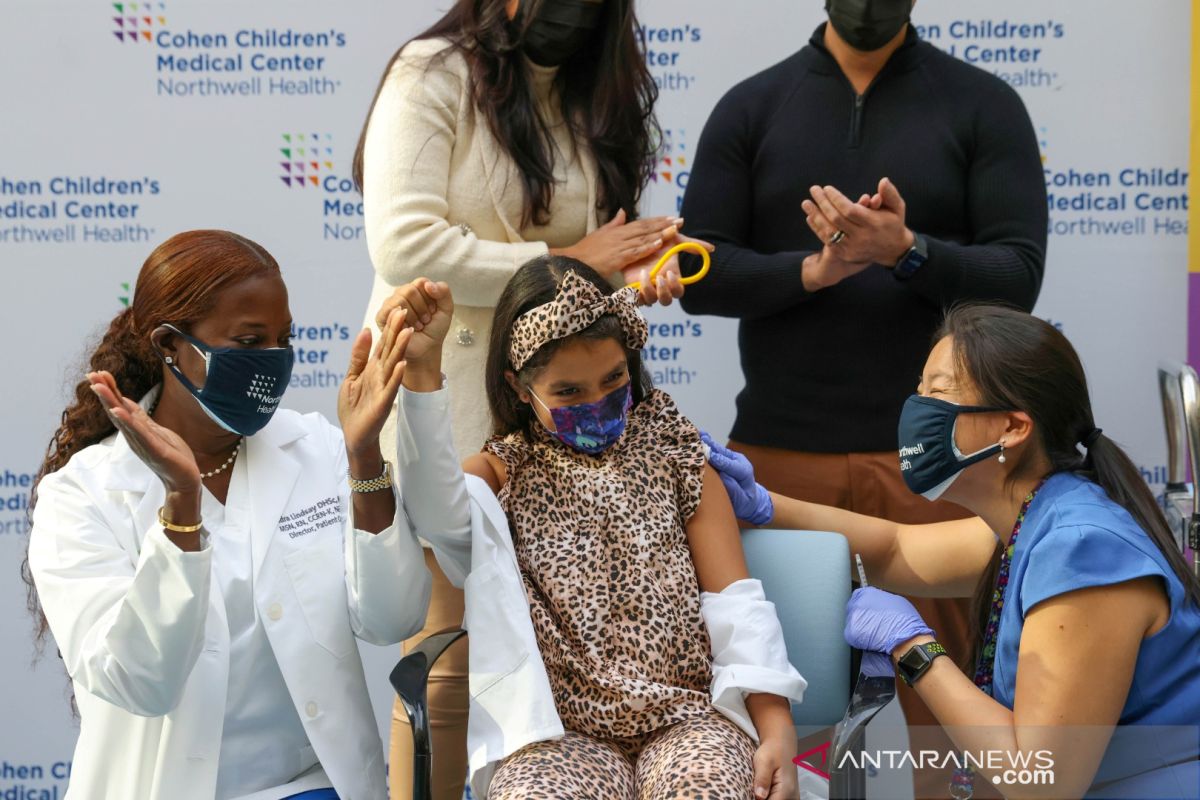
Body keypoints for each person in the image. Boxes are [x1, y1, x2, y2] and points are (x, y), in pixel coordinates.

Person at [677, 1, 1047, 788]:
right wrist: (810, 272)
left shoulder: (982, 103)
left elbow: (1018, 276)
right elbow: (697, 276)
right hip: (778, 459)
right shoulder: (753, 105)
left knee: (948, 710)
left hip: (938, 460)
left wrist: (907, 253)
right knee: (774, 709)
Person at [352, 2, 707, 791]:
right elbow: (404, 243)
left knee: (546, 664)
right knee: (445, 653)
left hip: (552, 425)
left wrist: (628, 274)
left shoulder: (590, 91)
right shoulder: (430, 75)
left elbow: (574, 277)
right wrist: (574, 254)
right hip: (440, 399)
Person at [712, 304, 1200, 799]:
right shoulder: (1039, 516)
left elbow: (1041, 784)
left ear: (1011, 427)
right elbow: (897, 551)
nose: (917, 410)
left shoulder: (1082, 549)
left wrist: (913, 649)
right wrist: (764, 504)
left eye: (939, 394)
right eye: (920, 390)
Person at [23, 230, 433, 800]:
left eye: (283, 339)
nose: (272, 360)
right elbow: (140, 682)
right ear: (170, 346)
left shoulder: (313, 447)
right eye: (248, 342)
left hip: (313, 787)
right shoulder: (82, 494)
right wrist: (182, 507)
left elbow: (394, 619)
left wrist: (363, 454)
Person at [382, 258, 807, 799]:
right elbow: (430, 506)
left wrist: (777, 730)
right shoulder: (500, 473)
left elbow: (736, 607)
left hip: (688, 722)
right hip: (557, 739)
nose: (597, 404)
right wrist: (421, 376)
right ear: (518, 387)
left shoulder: (678, 455)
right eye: (568, 393)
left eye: (613, 380)